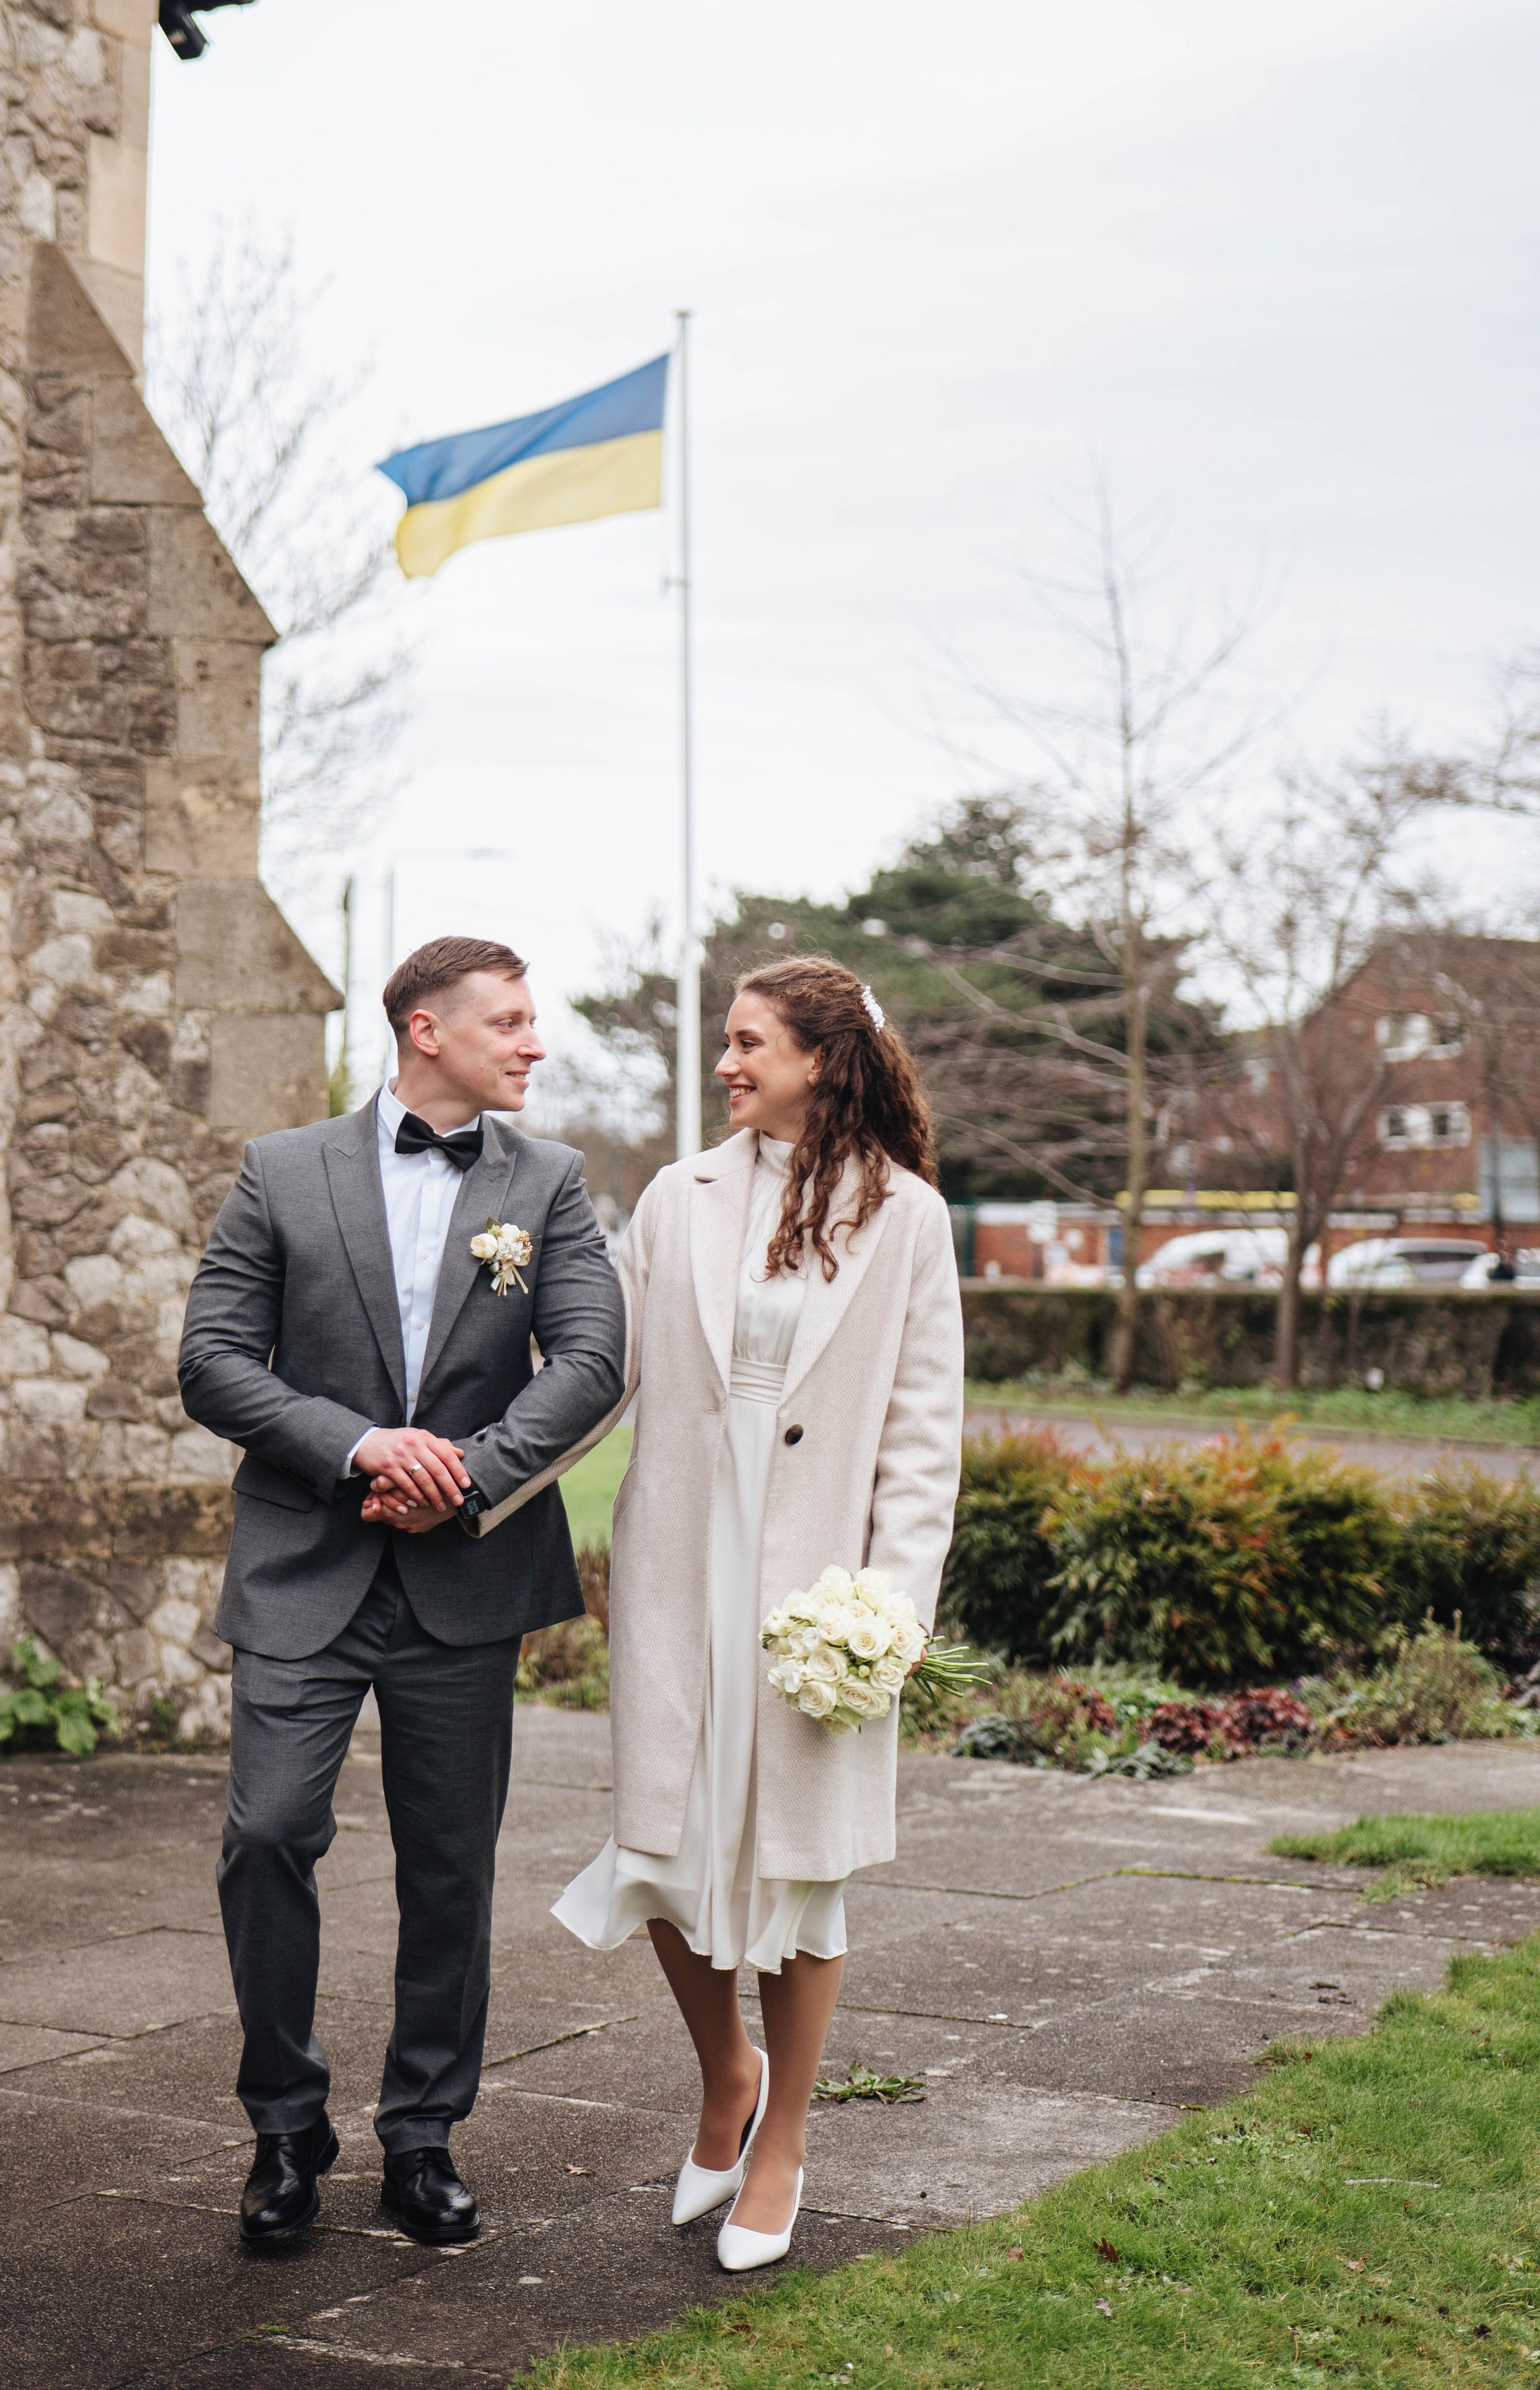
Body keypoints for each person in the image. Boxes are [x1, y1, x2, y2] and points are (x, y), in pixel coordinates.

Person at [179, 937, 625, 2251]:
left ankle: (423, 2137)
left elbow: (594, 1356)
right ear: (426, 1031)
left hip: (464, 1576)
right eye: (512, 1021)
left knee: (450, 1869)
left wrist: (466, 1477)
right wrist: (363, 1446)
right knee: (265, 1838)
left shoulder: (548, 1182)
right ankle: (284, 2126)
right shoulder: (282, 1168)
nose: (535, 1043)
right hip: (303, 1567)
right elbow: (211, 1361)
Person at [554, 956, 963, 2270]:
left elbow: (921, 1434)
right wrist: (471, 1472)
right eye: (726, 1043)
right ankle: (724, 2072)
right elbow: (594, 1370)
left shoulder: (907, 1219)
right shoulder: (682, 1196)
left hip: (816, 1585)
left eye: (748, 1044)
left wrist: (886, 1612)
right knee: (664, 1845)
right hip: (681, 1555)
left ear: (821, 1060)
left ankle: (782, 2136)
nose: (725, 1065)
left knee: (797, 1864)